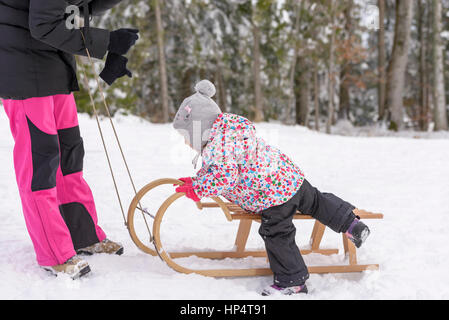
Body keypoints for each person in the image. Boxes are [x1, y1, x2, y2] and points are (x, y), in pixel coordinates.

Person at [172, 80, 371, 296]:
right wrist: (197, 180)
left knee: (276, 232)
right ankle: (351, 224)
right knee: (316, 200)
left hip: (272, 197)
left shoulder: (217, 146)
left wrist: (199, 188)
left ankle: (292, 280)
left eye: (187, 137)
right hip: (290, 178)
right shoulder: (231, 131)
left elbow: (224, 176)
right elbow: (218, 169)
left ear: (201, 130)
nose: (186, 143)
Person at [0, 0, 139, 279]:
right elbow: (43, 24)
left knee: (69, 154)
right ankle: (53, 252)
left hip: (54, 63)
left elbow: (75, 8)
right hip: (22, 71)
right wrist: (108, 41)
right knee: (41, 162)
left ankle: (82, 235)